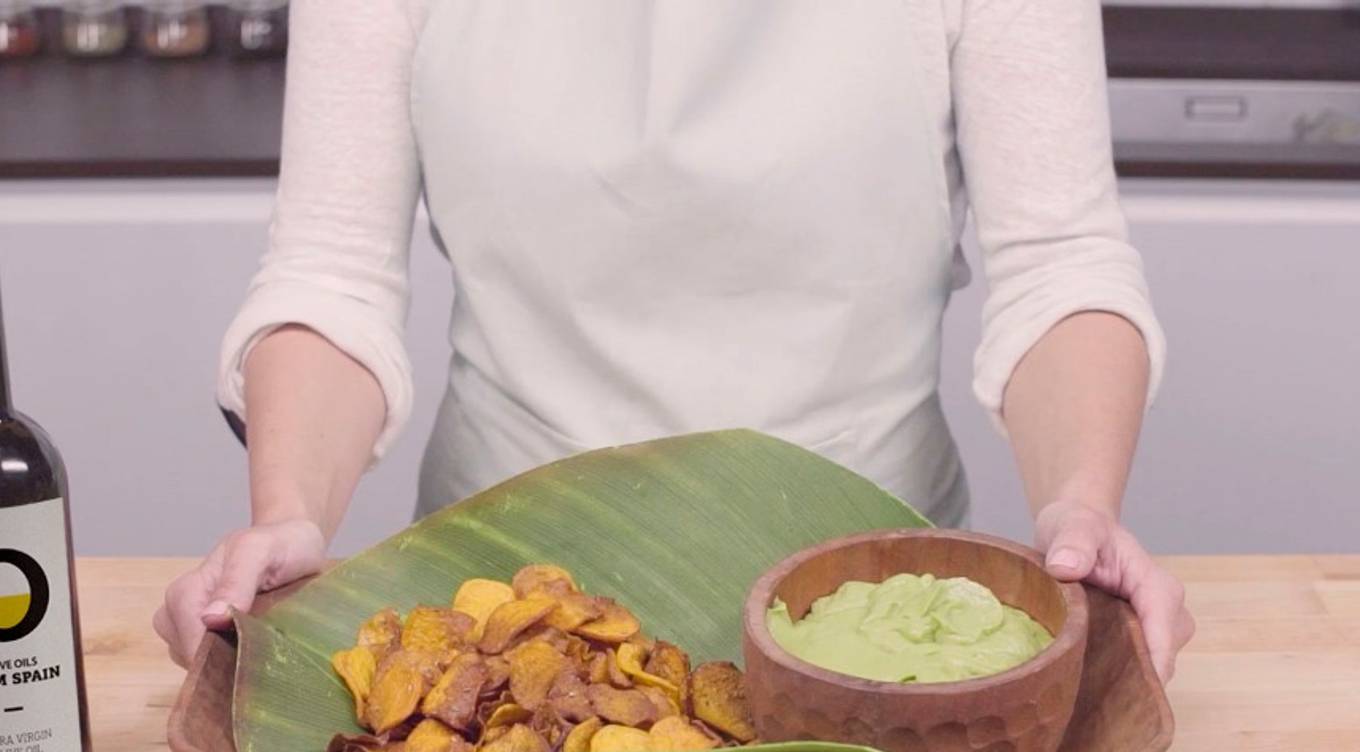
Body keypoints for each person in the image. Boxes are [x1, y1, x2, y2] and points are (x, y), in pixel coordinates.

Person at [154, 0, 1194, 679]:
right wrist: (288, 512)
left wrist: (1078, 507)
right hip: (505, 638)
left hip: (870, 627)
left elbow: (1060, 262)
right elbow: (332, 272)